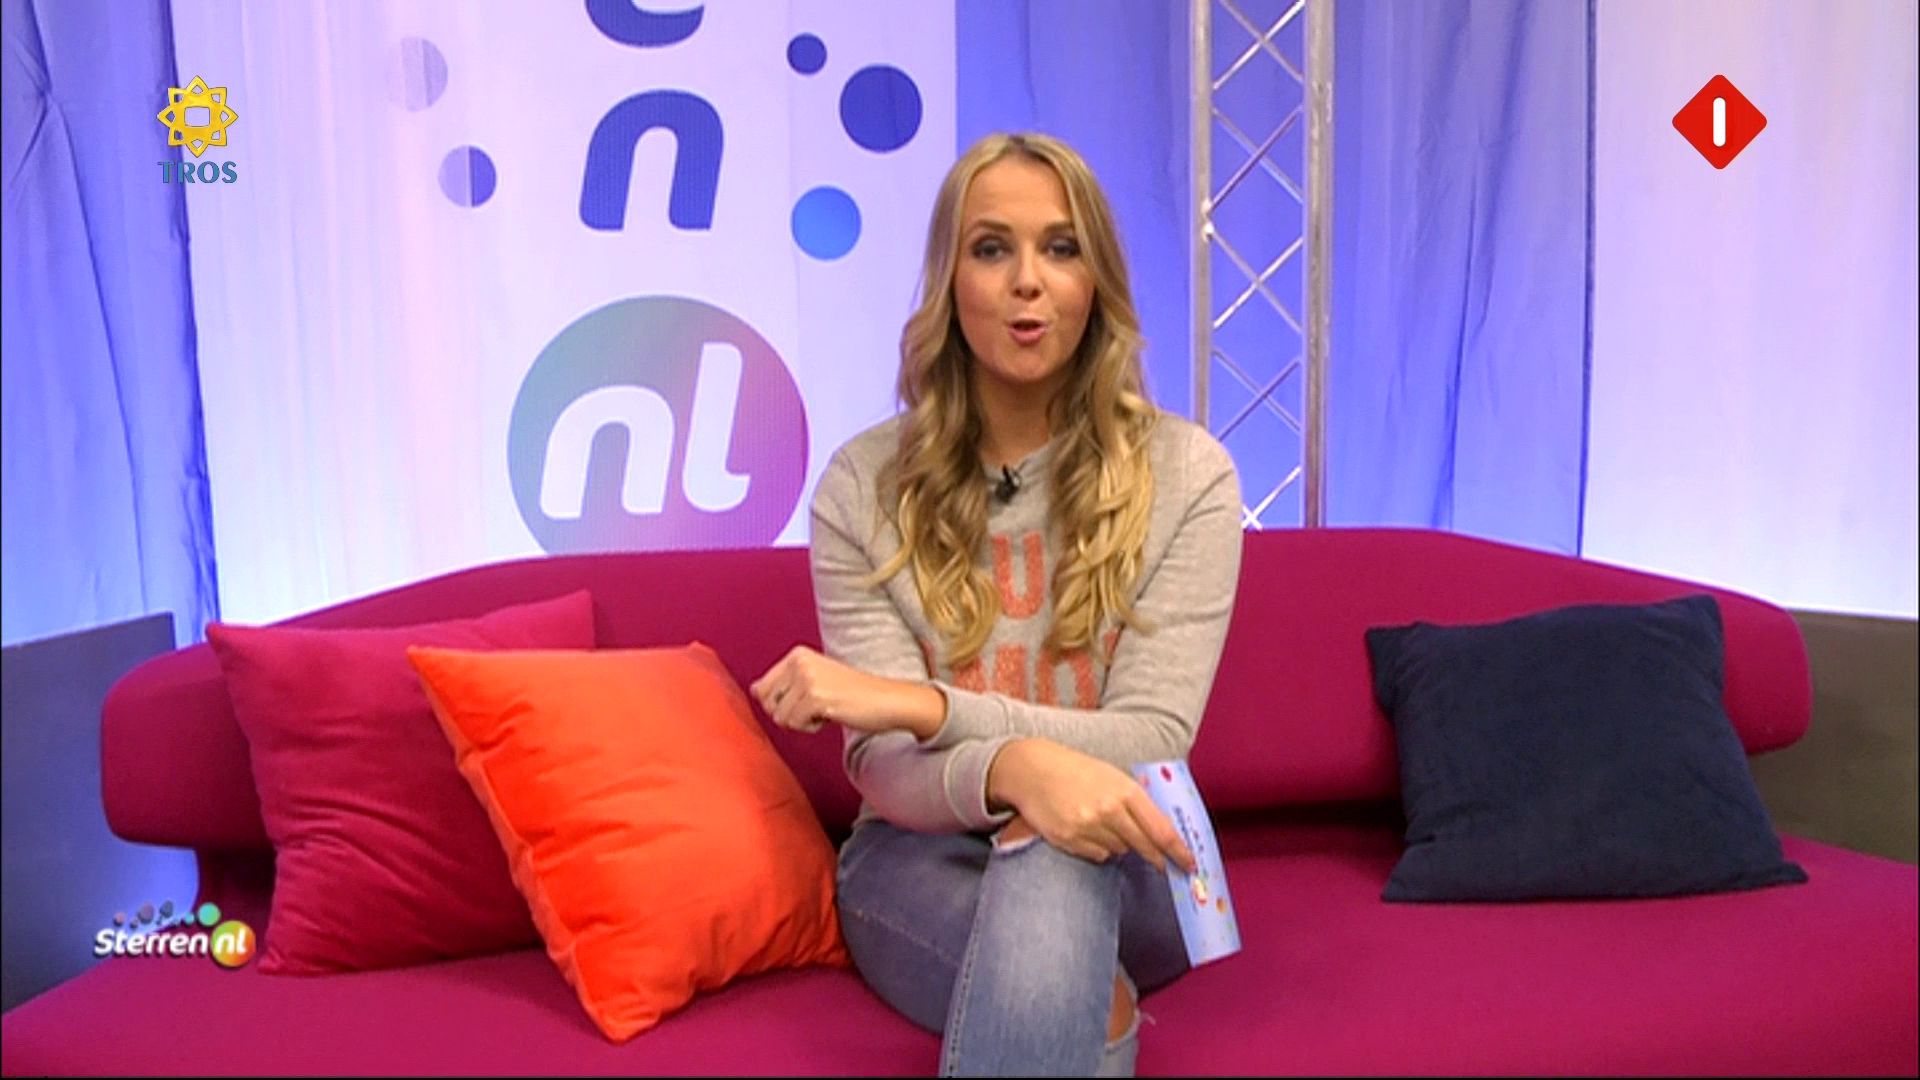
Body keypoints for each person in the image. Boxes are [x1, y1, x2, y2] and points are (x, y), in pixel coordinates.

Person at [749, 131, 1244, 1077]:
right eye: (991, 248)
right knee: (1059, 929)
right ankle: (1093, 1004)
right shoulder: (861, 488)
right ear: (949, 280)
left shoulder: (1189, 476)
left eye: (1061, 248)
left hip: (1131, 854)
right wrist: (1019, 768)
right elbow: (886, 771)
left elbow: (1152, 736)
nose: (1027, 282)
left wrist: (924, 707)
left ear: (1095, 281)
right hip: (918, 858)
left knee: (1054, 847)